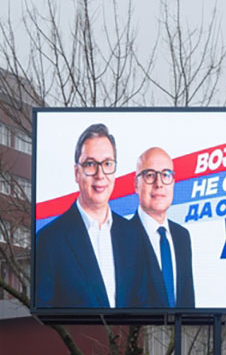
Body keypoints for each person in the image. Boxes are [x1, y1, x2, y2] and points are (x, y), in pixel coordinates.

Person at [34, 123, 161, 309]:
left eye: (108, 164)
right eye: (91, 164)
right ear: (77, 173)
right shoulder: (49, 240)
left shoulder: (134, 235)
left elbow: (144, 304)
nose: (100, 175)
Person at [131, 146, 195, 309]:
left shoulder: (182, 236)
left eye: (166, 175)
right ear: (136, 185)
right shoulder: (120, 236)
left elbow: (188, 303)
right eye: (150, 175)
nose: (159, 184)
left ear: (173, 183)